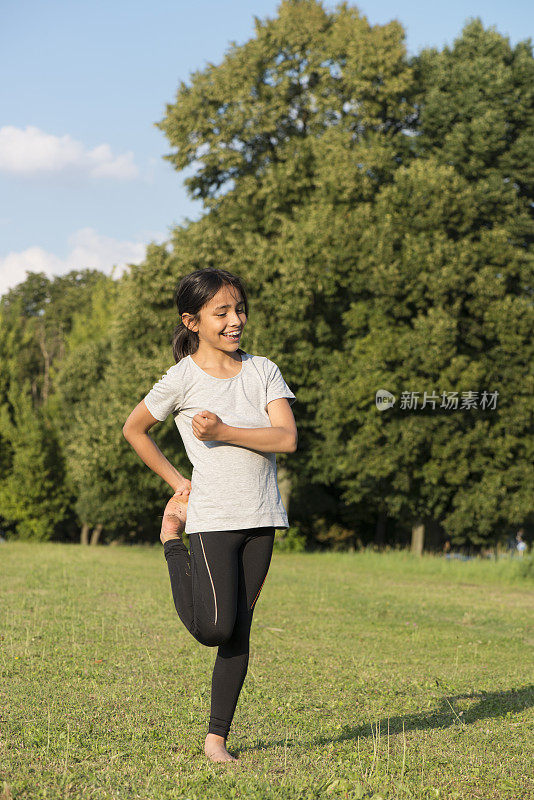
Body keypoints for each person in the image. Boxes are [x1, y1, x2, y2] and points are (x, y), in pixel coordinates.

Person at [122, 268, 297, 764]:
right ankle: (170, 545)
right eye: (221, 312)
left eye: (238, 309)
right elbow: (136, 430)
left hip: (262, 516)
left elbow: (286, 438)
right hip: (212, 518)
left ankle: (216, 740)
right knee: (216, 628)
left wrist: (224, 430)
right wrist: (179, 483)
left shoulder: (263, 370)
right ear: (192, 321)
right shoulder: (181, 379)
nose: (234, 320)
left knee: (240, 630)